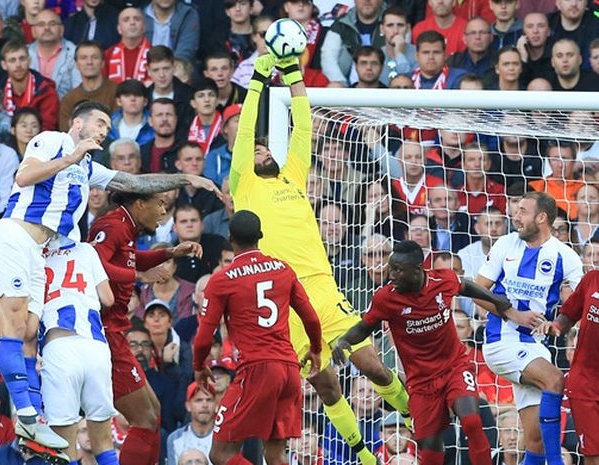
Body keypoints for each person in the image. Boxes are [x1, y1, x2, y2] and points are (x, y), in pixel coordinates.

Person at [0, 100, 219, 452]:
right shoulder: (52, 141)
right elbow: (24, 176)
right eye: (101, 122)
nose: (107, 130)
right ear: (78, 123)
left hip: (37, 252)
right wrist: (71, 157)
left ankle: (33, 419)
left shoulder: (88, 166)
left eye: (108, 125)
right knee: (15, 328)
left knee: (30, 332)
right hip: (14, 237)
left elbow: (134, 182)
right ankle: (28, 416)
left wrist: (184, 178)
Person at [230, 53, 411, 465]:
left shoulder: (292, 173)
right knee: (325, 385)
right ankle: (364, 456)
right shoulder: (245, 186)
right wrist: (259, 78)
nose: (261, 153)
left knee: (373, 367)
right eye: (257, 152)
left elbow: (304, 125)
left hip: (323, 289)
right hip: (285, 302)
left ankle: (411, 414)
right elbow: (244, 130)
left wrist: (293, 75)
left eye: (263, 149)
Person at [333, 240, 513, 465]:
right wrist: (343, 342)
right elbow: (363, 327)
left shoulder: (442, 280)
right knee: (430, 444)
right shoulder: (385, 298)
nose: (392, 274)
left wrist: (495, 299)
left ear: (417, 269)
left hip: (454, 367)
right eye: (391, 268)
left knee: (472, 422)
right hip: (420, 381)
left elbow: (466, 286)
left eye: (398, 269)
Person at [193, 210, 323, 465]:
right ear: (260, 237)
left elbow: (203, 338)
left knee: (220, 454)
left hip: (257, 370)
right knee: (275, 456)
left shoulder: (222, 280)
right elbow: (311, 318)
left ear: (230, 238)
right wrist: (315, 348)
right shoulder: (283, 269)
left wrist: (199, 367)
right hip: (289, 371)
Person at [88, 189, 205, 465]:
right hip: (105, 333)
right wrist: (140, 275)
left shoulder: (126, 226)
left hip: (116, 330)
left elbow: (130, 258)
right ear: (140, 204)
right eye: (160, 204)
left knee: (153, 413)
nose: (165, 212)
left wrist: (169, 252)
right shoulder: (111, 225)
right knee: (144, 418)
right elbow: (94, 262)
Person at [475, 192, 583, 465]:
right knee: (556, 380)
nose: (515, 216)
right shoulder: (505, 245)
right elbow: (476, 292)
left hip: (535, 347)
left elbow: (578, 302)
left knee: (534, 438)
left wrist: (558, 322)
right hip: (502, 342)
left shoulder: (565, 256)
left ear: (542, 217)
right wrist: (513, 314)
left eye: (522, 211)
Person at [39, 239, 118, 465]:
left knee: (64, 444)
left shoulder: (33, 255)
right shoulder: (86, 250)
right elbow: (108, 298)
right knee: (103, 439)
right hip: (95, 346)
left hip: (59, 347)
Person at [539, 266, 599, 465]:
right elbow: (569, 314)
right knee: (593, 454)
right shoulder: (592, 279)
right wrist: (555, 326)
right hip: (586, 385)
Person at [58, 41, 118, 132]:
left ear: (103, 63)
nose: (89, 62)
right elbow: (66, 134)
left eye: (94, 57)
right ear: (76, 64)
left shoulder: (117, 92)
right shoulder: (69, 99)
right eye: (83, 58)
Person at [27, 9, 79, 99]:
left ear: (62, 30)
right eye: (41, 24)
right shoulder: (24, 54)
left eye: (52, 24)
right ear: (33, 31)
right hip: (29, 110)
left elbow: (78, 91)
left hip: (64, 110)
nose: (47, 28)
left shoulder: (75, 53)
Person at [166, 382, 216, 465]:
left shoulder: (226, 438)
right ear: (188, 406)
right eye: (199, 400)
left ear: (216, 405)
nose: (205, 405)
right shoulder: (175, 438)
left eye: (209, 400)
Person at [105, 7, 151, 85]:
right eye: (126, 20)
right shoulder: (108, 54)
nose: (132, 22)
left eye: (137, 19)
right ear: (119, 29)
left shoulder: (154, 53)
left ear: (144, 27)